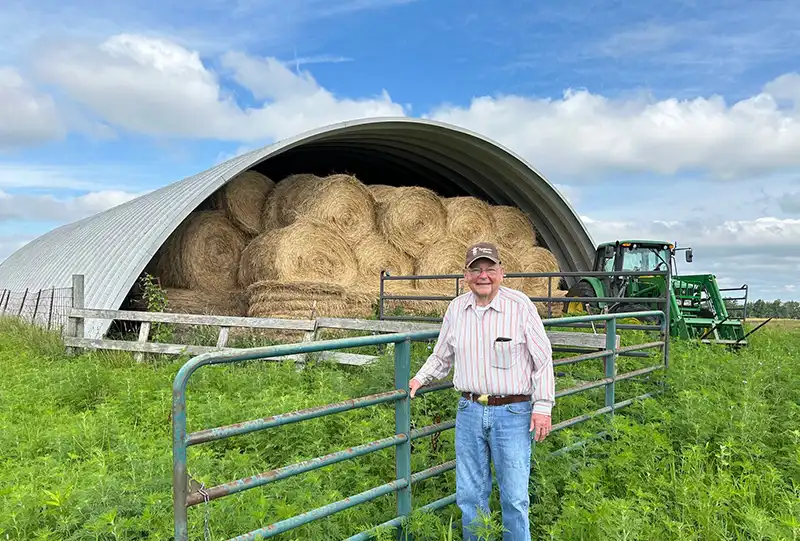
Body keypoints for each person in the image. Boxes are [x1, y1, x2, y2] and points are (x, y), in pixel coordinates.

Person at [409, 241, 554, 541]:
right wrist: (420, 379)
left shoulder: (520, 306)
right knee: (470, 495)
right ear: (466, 276)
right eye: (476, 270)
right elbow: (442, 356)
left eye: (489, 268)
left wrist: (542, 407)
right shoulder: (456, 309)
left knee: (514, 497)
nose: (483, 275)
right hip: (470, 411)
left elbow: (543, 360)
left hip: (513, 413)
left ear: (502, 272)